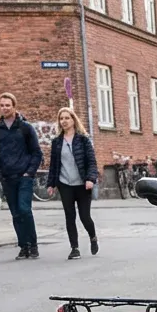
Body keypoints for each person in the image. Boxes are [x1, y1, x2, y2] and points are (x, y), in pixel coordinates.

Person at [0, 93, 43, 260]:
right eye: (2, 105)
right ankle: (23, 246)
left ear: (14, 106)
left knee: (24, 209)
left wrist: (29, 172)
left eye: (8, 105)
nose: (4, 108)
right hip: (7, 176)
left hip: (24, 176)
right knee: (16, 213)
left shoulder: (25, 127)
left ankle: (33, 245)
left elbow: (36, 153)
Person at [46, 107, 99, 260]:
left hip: (82, 184)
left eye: (67, 118)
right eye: (61, 118)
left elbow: (91, 162)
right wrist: (51, 184)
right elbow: (54, 165)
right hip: (65, 184)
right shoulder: (57, 142)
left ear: (73, 120)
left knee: (84, 217)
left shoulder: (83, 139)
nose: (64, 121)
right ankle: (74, 248)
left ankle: (93, 237)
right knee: (70, 216)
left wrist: (90, 179)